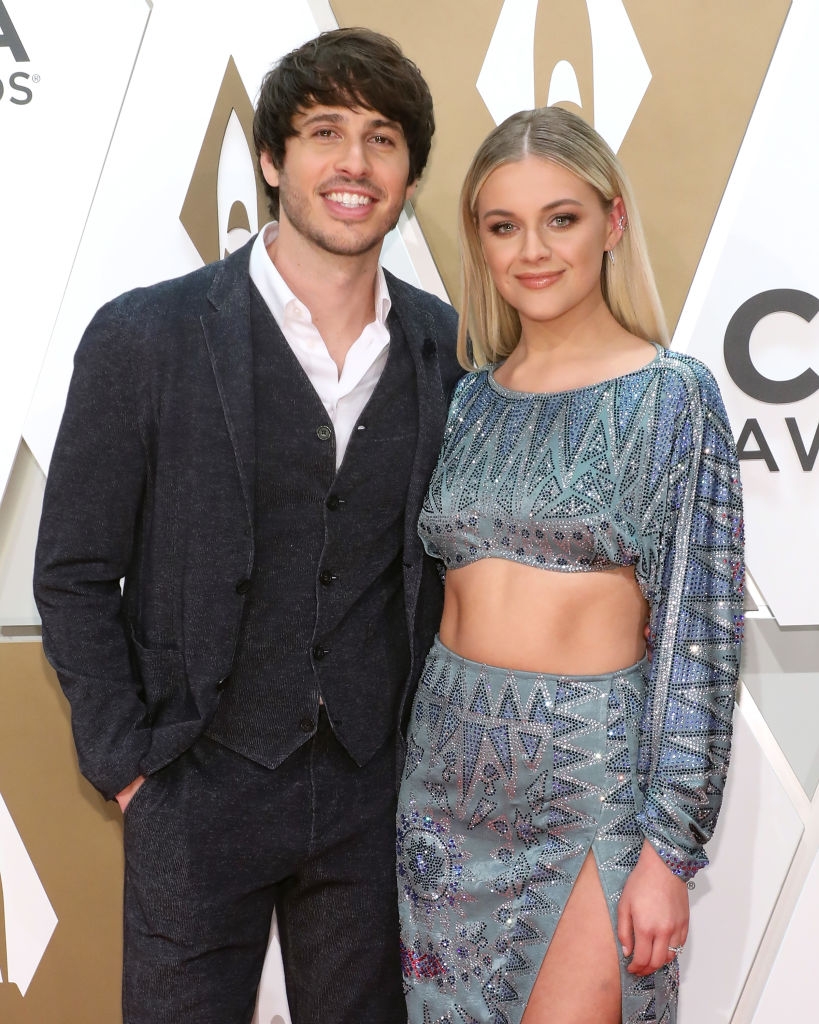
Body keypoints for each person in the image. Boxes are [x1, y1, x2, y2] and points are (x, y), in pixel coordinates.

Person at [34, 27, 461, 1024]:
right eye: (324, 132)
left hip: (370, 795)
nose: (354, 162)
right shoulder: (144, 334)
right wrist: (129, 765)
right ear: (272, 159)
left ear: (408, 178)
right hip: (194, 784)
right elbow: (74, 572)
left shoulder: (446, 346)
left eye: (382, 138)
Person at [396, 106, 744, 1024]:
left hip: (589, 783)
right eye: (502, 226)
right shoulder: (468, 400)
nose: (532, 251)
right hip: (442, 783)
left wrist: (669, 852)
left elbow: (699, 642)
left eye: (561, 219)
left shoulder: (671, 397)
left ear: (611, 222)